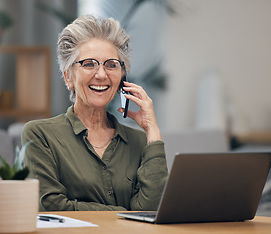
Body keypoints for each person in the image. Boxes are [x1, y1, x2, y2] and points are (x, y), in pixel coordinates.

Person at [21, 14, 168, 211]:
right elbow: (51, 206)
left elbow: (151, 212)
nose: (101, 74)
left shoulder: (140, 142)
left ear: (122, 78)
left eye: (111, 65)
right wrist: (126, 214)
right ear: (68, 77)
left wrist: (152, 132)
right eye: (89, 64)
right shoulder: (39, 135)